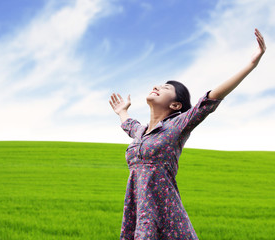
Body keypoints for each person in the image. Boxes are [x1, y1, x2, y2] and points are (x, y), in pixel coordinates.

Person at [109, 29, 266, 239]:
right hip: (138, 210)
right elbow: (130, 124)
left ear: (175, 104)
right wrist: (122, 111)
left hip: (165, 214)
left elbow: (210, 100)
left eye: (164, 87)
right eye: (158, 84)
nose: (156, 86)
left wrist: (251, 65)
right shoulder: (141, 132)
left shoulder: (178, 125)